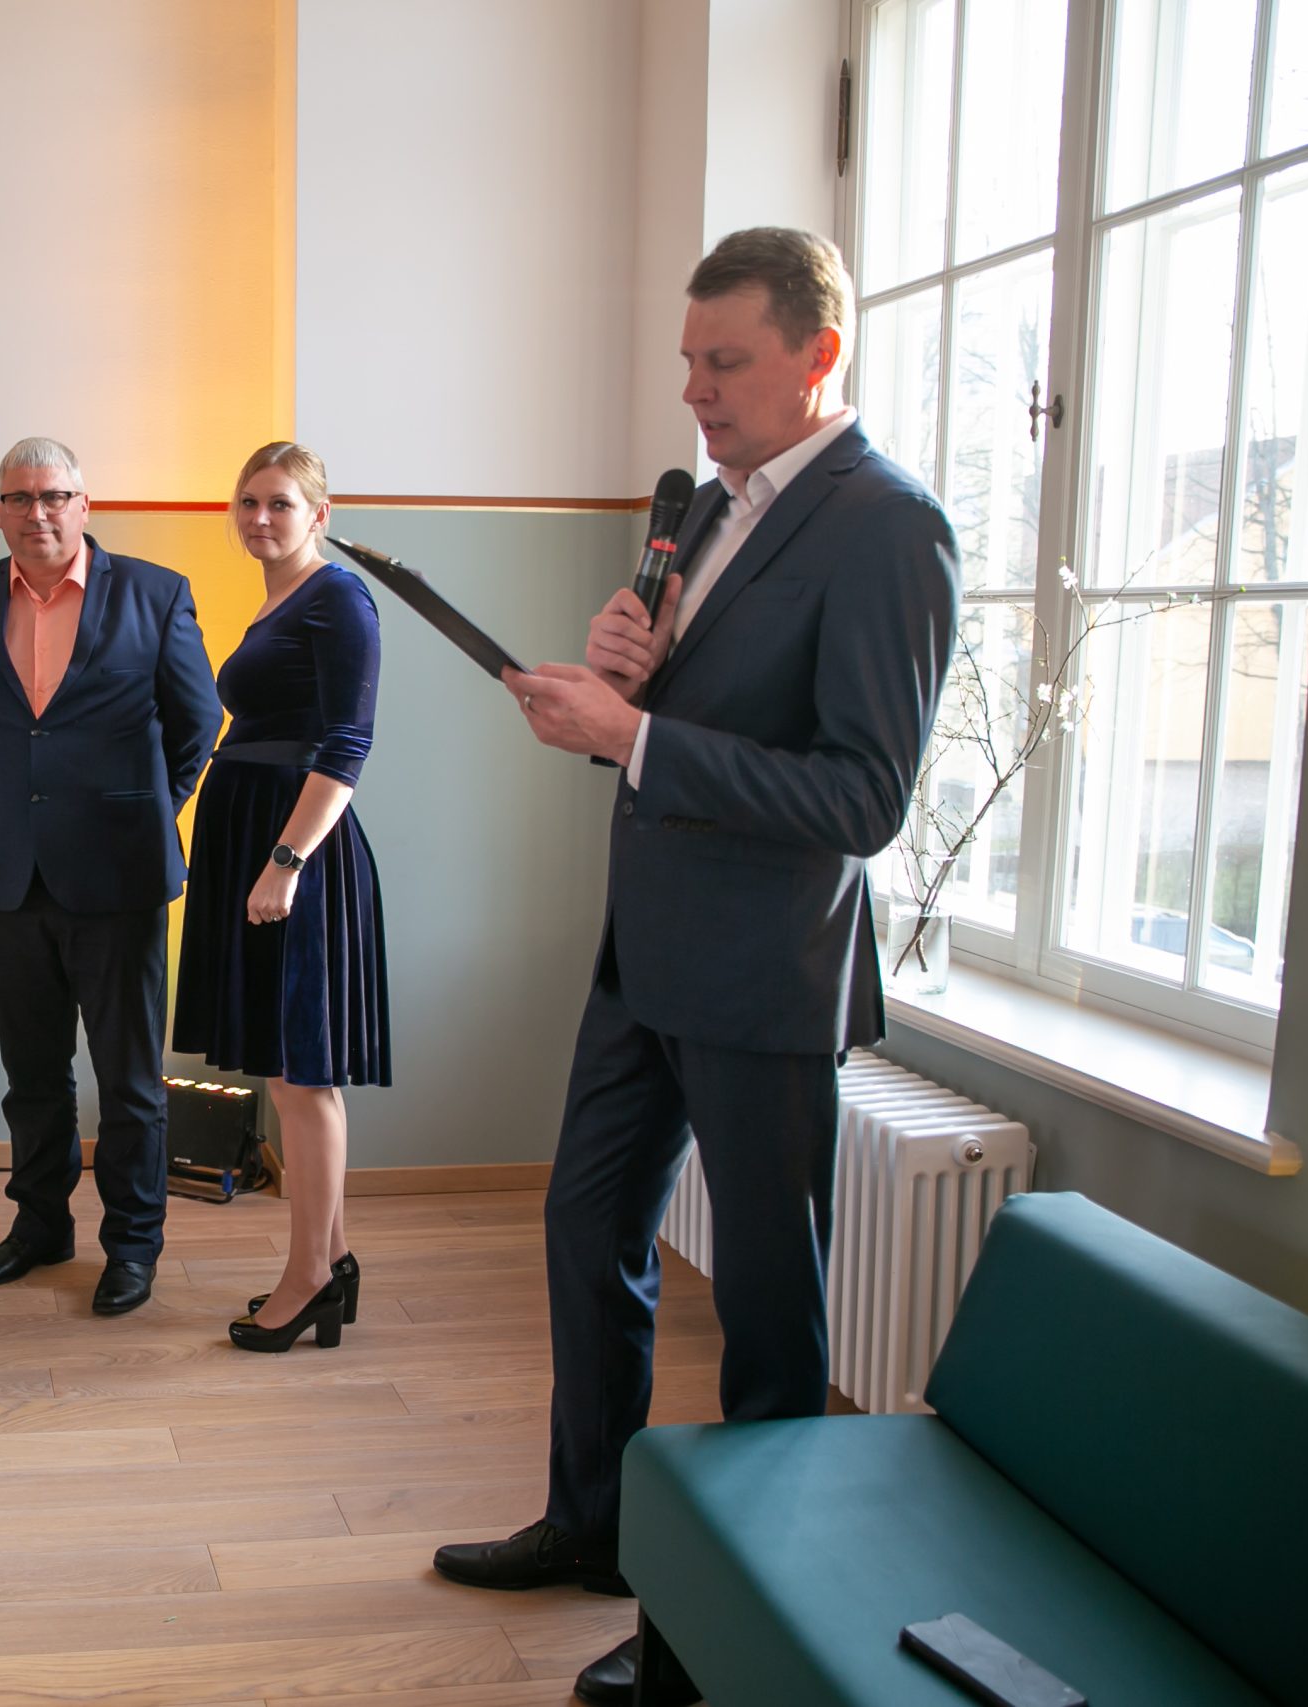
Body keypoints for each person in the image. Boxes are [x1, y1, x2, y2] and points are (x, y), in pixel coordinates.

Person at [432, 228, 960, 1707]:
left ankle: (718, 1628)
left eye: (724, 362)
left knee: (769, 1316)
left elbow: (863, 799)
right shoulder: (710, 510)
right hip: (643, 958)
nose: (694, 391)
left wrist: (639, 733)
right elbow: (692, 729)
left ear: (819, 355)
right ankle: (596, 1529)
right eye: (688, 360)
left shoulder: (888, 527)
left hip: (764, 976)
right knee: (584, 1232)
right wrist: (621, 685)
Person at [0, 436, 221, 1316]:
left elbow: (197, 721)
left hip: (120, 877)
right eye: (19, 498)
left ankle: (132, 1245)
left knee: (128, 1082)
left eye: (54, 495)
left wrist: (141, 811)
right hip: (10, 875)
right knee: (32, 1076)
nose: (38, 512)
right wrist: (32, 809)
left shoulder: (154, 594)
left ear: (84, 505)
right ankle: (40, 1226)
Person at [171, 441, 388, 1353]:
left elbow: (347, 744)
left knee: (304, 1075)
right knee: (287, 1070)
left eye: (281, 503)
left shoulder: (339, 597)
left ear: (319, 516)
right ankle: (329, 1259)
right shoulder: (282, 600)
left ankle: (307, 1280)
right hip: (260, 839)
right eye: (249, 502)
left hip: (298, 850)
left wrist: (287, 859)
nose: (260, 518)